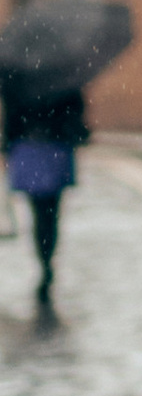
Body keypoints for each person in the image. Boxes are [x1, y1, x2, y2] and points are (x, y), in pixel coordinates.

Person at [2, 71, 87, 312]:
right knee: (52, 211)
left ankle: (43, 261)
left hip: (28, 147)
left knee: (37, 210)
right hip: (55, 145)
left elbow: (11, 114)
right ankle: (48, 259)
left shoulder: (16, 75)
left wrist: (7, 145)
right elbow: (76, 110)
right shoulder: (65, 73)